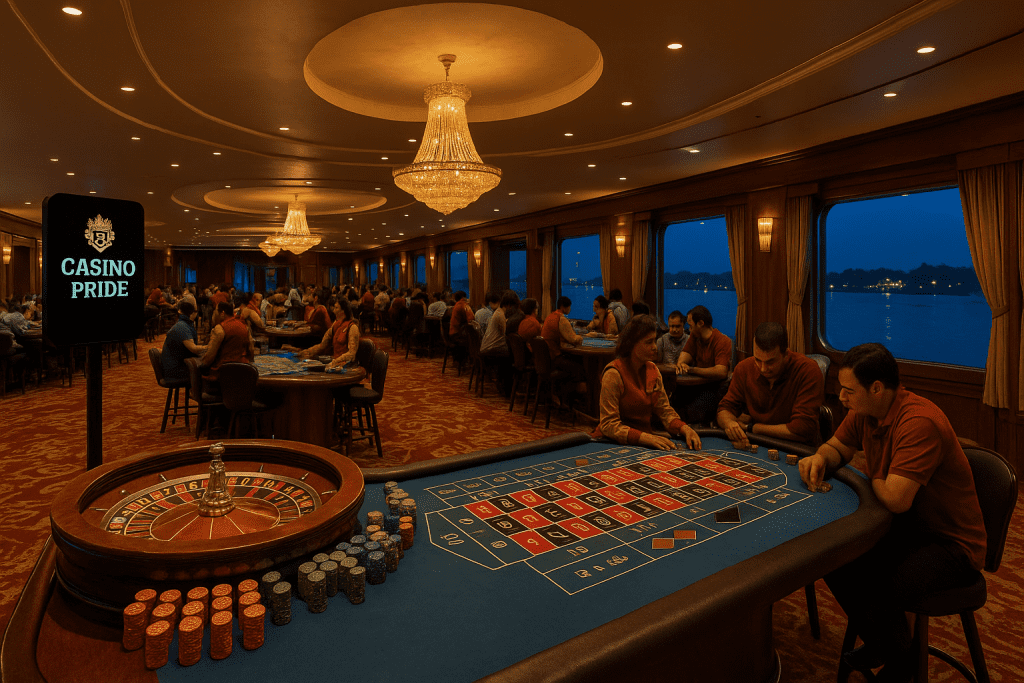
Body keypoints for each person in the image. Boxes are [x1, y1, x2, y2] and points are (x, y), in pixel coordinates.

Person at [799, 343, 986, 681]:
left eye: (848, 390)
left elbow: (897, 499)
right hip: (909, 527)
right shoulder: (864, 411)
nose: (841, 397)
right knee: (833, 557)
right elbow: (838, 447)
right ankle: (891, 646)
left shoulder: (919, 421)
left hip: (951, 544)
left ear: (876, 388)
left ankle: (900, 662)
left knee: (880, 584)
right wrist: (820, 458)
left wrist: (872, 472)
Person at [594, 315, 702, 451]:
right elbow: (609, 425)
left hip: (644, 442)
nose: (655, 347)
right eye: (649, 342)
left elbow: (665, 411)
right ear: (632, 344)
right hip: (610, 443)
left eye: (654, 341)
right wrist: (645, 437)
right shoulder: (613, 374)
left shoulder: (653, 370)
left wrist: (684, 428)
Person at [717, 321, 823, 448]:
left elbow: (802, 428)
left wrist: (753, 428)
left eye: (770, 362)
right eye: (757, 360)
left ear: (786, 354)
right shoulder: (744, 368)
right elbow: (724, 409)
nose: (763, 368)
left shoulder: (808, 370)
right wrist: (730, 424)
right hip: (758, 443)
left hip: (798, 448)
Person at [673, 305, 730, 423]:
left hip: (713, 386)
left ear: (700, 323)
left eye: (691, 326)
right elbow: (686, 353)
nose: (689, 329)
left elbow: (721, 371)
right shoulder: (695, 337)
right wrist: (681, 364)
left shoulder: (722, 340)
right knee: (674, 401)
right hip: (697, 384)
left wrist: (692, 370)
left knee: (692, 412)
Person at [200, 302, 254, 390]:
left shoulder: (220, 328)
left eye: (215, 312)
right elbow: (251, 350)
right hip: (243, 372)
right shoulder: (244, 326)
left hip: (222, 375)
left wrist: (202, 364)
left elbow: (210, 356)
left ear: (222, 313)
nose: (214, 314)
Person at [295, 297, 360, 368]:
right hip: (335, 361)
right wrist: (308, 352)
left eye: (336, 308)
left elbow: (351, 354)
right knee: (306, 361)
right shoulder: (335, 325)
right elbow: (323, 345)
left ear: (343, 310)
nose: (334, 311)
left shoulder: (352, 327)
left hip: (346, 365)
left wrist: (334, 362)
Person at [541, 296, 586, 392]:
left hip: (546, 358)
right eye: (569, 307)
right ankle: (579, 395)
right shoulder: (561, 318)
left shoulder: (550, 316)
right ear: (563, 307)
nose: (570, 309)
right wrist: (582, 337)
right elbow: (573, 339)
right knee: (580, 365)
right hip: (555, 358)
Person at [161, 301, 206, 383]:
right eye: (196, 311)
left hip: (173, 367)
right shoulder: (182, 326)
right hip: (175, 371)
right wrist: (209, 347)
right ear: (193, 313)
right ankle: (197, 391)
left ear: (180, 311)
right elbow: (193, 349)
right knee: (207, 371)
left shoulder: (183, 324)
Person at [480, 290, 518, 356]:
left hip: (487, 348)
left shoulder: (498, 312)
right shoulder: (500, 315)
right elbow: (505, 334)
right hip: (490, 350)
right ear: (509, 305)